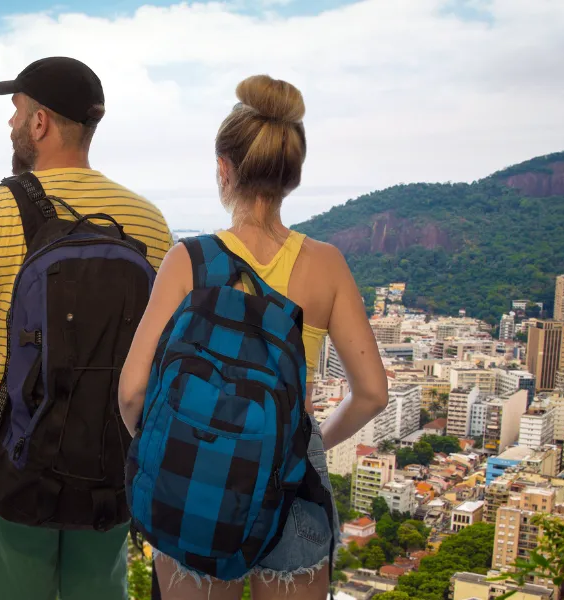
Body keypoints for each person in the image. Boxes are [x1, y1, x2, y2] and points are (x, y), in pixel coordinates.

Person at [115, 75, 389, 600]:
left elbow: (131, 391)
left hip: (195, 474)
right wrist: (308, 444)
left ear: (224, 169)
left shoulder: (187, 260)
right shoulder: (327, 265)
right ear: (292, 177)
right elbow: (372, 392)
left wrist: (169, 446)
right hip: (291, 485)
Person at [0, 56, 171, 600]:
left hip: (17, 453)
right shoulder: (148, 221)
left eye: (16, 110)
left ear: (39, 122)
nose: (11, 123)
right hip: (113, 452)